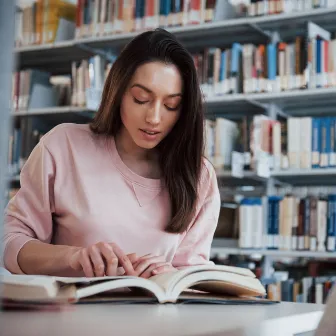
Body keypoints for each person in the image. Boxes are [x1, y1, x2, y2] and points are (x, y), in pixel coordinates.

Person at [2, 28, 221, 279]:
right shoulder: (63, 146)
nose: (154, 118)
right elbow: (11, 242)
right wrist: (73, 257)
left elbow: (190, 276)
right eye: (141, 99)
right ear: (118, 92)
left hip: (157, 317)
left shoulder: (199, 175)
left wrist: (170, 274)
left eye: (172, 105)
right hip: (70, 314)